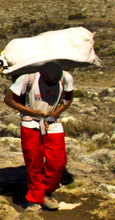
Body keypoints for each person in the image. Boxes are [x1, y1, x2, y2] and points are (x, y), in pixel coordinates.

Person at [5, 63, 73, 210]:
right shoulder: (28, 78)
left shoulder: (66, 78)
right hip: (31, 123)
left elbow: (68, 99)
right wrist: (31, 112)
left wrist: (56, 113)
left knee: (58, 161)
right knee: (34, 161)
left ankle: (47, 191)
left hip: (53, 122)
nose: (50, 85)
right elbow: (9, 99)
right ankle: (35, 199)